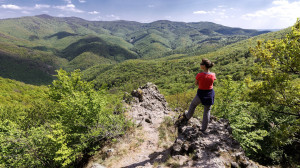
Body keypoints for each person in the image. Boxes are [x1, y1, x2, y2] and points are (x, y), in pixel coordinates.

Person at [175, 58, 216, 132]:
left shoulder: (199, 75)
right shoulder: (213, 75)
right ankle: (204, 129)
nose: (200, 65)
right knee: (207, 111)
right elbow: (211, 82)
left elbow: (196, 83)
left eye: (201, 64)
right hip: (210, 94)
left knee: (193, 105)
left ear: (204, 66)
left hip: (201, 94)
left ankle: (187, 116)